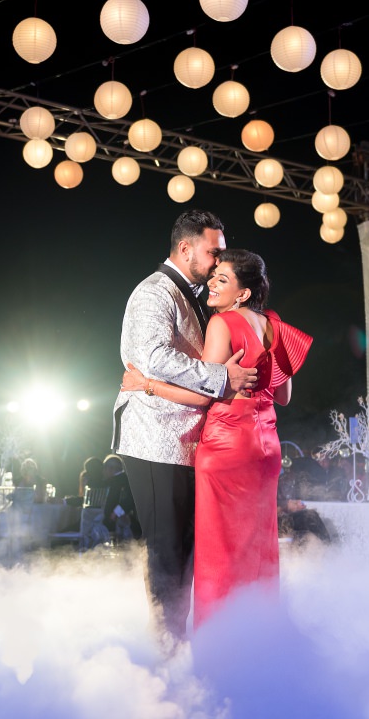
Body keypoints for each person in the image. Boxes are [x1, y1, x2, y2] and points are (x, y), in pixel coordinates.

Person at [122, 248, 310, 628]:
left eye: (221, 279)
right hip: (266, 445)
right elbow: (284, 396)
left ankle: (219, 643)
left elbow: (205, 391)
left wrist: (147, 385)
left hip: (226, 446)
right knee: (256, 543)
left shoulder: (222, 324)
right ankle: (257, 633)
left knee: (219, 547)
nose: (211, 282)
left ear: (241, 293)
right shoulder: (273, 324)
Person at [111, 209, 258, 640]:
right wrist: (220, 378)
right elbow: (153, 357)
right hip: (154, 437)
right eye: (214, 252)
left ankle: (183, 643)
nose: (219, 262)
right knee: (168, 550)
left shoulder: (194, 293)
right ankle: (166, 648)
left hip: (188, 441)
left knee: (189, 550)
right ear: (185, 247)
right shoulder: (153, 293)